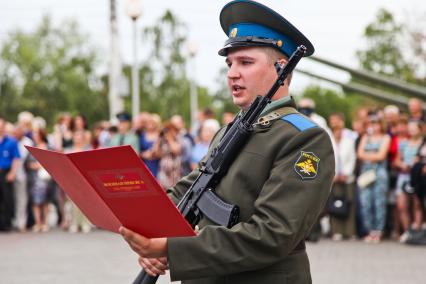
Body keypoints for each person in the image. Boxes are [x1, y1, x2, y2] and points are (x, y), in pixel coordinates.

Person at [119, 1, 334, 283]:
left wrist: (171, 249)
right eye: (230, 63)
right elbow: (191, 189)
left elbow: (272, 234)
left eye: (245, 62)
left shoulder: (303, 138)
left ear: (282, 68)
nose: (232, 72)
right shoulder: (230, 130)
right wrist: (149, 224)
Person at [357, 113, 391, 243]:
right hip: (366, 173)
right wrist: (373, 155)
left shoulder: (386, 137)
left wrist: (368, 155)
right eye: (371, 123)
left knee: (379, 202)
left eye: (376, 123)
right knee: (365, 201)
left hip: (380, 173)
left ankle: (378, 231)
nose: (373, 126)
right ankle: (370, 230)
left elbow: (381, 156)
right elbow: (359, 154)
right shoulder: (366, 137)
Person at [0, 117, 21, 232]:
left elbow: (16, 158)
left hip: (6, 172)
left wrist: (12, 172)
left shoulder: (11, 141)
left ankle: (7, 223)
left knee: (7, 199)